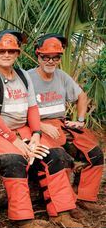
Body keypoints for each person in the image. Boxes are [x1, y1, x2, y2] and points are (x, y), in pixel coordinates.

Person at [0, 29, 83, 228]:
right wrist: (14, 141)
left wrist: (35, 134)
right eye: (2, 51)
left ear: (17, 53)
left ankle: (61, 211)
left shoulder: (23, 75)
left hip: (21, 126)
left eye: (12, 51)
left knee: (56, 155)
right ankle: (23, 218)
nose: (6, 55)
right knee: (14, 160)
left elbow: (33, 108)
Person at [28, 33, 103, 212]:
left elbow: (81, 96)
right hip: (39, 125)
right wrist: (39, 125)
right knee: (60, 157)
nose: (50, 61)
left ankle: (85, 197)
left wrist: (80, 120)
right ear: (38, 56)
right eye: (45, 57)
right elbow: (18, 108)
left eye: (55, 57)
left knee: (96, 153)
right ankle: (65, 204)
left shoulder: (61, 76)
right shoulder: (27, 77)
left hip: (61, 122)